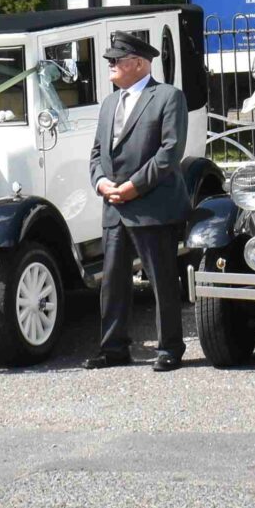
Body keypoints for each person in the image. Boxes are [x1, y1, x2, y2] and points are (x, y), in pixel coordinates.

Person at [88, 30, 189, 371]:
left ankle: (170, 348)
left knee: (161, 279)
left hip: (151, 204)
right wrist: (102, 183)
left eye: (116, 61)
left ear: (139, 64)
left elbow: (169, 153)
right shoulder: (109, 103)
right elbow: (98, 153)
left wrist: (132, 186)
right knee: (113, 282)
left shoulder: (167, 97)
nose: (110, 66)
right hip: (114, 205)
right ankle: (113, 348)